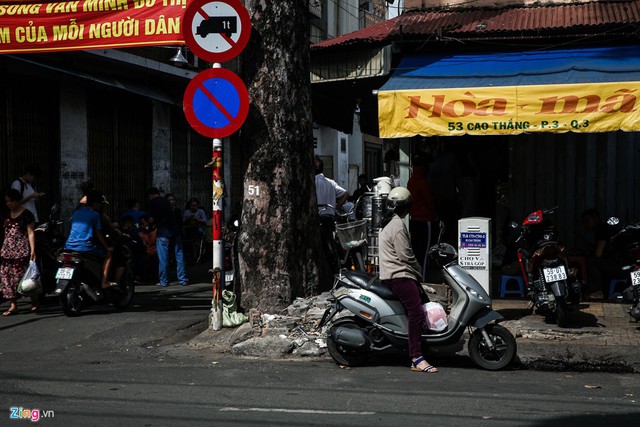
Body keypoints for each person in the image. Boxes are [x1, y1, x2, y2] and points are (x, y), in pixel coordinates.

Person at [379, 187, 438, 374]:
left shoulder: (389, 220)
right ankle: (416, 357)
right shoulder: (397, 225)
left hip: (396, 273)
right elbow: (405, 256)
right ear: (407, 207)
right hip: (399, 275)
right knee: (417, 312)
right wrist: (419, 268)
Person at [65, 190, 116, 289]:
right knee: (108, 255)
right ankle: (104, 282)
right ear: (96, 203)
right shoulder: (95, 215)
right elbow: (99, 234)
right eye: (100, 204)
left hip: (69, 246)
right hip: (85, 247)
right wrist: (107, 247)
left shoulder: (76, 213)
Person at [1, 188, 38, 316]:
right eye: (7, 201)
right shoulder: (6, 214)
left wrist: (33, 250)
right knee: (6, 278)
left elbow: (31, 233)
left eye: (11, 201)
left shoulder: (27, 214)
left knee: (22, 278)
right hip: (7, 251)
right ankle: (13, 305)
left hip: (21, 250)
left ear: (17, 201)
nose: (9, 203)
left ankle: (34, 301)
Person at [146, 188, 187, 287]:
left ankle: (164, 281)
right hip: (175, 231)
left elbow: (151, 219)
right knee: (179, 256)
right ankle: (183, 279)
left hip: (163, 232)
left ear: (151, 195)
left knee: (163, 258)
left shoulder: (152, 203)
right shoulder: (166, 201)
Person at [407, 152, 439, 279]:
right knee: (426, 253)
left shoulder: (411, 181)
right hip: (426, 220)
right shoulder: (422, 182)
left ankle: (418, 278)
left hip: (414, 220)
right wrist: (435, 215)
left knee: (417, 252)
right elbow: (429, 202)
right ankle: (424, 279)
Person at [581, 209, 621, 299]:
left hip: (619, 266)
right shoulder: (601, 230)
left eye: (587, 221)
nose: (585, 224)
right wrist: (582, 240)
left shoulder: (603, 230)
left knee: (592, 261)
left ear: (596, 219)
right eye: (584, 222)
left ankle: (597, 291)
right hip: (615, 265)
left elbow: (598, 254)